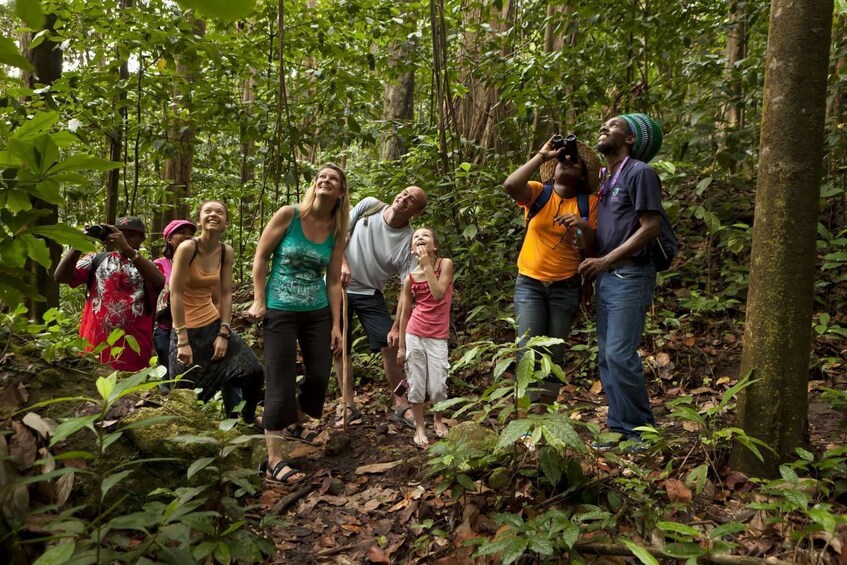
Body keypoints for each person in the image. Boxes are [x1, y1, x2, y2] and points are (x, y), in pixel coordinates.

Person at [248, 164, 348, 485]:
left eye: (333, 179)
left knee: (319, 375)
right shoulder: (288, 215)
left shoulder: (336, 230)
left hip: (317, 311)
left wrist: (336, 325)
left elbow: (333, 281)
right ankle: (275, 459)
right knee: (281, 377)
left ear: (340, 192)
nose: (325, 180)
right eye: (322, 176)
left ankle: (293, 420)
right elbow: (262, 256)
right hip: (279, 308)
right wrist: (259, 299)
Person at [578, 113, 664, 443]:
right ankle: (618, 428)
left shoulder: (640, 173)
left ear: (631, 139)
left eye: (614, 126)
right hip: (608, 278)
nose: (604, 127)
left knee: (619, 354)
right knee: (606, 356)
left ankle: (641, 431)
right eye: (604, 124)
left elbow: (650, 226)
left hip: (630, 274)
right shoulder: (607, 178)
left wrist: (605, 260)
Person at [503, 136, 600, 405]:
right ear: (554, 169)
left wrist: (583, 226)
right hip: (530, 284)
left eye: (574, 162)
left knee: (554, 353)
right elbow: (511, 185)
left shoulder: (589, 203)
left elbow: (592, 252)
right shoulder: (538, 192)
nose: (566, 162)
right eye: (563, 160)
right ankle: (524, 415)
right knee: (527, 350)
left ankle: (542, 412)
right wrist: (542, 156)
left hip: (566, 286)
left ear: (582, 175)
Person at [335, 186, 427, 428]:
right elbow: (339, 233)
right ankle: (347, 404)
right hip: (338, 286)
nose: (404, 198)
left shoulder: (409, 242)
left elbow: (406, 290)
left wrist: (398, 326)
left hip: (369, 292)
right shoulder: (369, 206)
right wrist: (342, 262)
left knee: (391, 343)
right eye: (405, 193)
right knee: (338, 346)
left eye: (412, 200)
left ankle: (401, 402)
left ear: (416, 213)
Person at [169, 200, 263, 424]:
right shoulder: (187, 248)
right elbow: (176, 293)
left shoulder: (225, 252)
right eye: (208, 211)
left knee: (253, 371)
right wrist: (182, 339)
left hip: (212, 323)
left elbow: (226, 292)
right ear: (198, 220)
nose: (213, 215)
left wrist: (224, 330)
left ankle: (247, 417)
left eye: (219, 212)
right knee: (184, 396)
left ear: (226, 223)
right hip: (185, 329)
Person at [54, 216, 165, 371]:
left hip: (134, 353)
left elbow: (159, 281)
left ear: (142, 239)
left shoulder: (149, 267)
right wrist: (78, 243)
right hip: (94, 350)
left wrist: (127, 249)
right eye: (120, 233)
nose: (123, 238)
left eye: (131, 235)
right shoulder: (95, 259)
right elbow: (60, 277)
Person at [397, 227, 453, 448]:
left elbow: (439, 294)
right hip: (414, 333)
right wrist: (401, 346)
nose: (420, 237)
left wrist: (427, 266)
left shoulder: (444, 264)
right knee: (417, 383)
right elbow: (404, 314)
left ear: (435, 246)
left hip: (438, 335)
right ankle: (420, 427)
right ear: (412, 249)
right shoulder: (410, 279)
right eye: (416, 237)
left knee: (438, 384)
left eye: (426, 235)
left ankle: (438, 419)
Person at [153, 219, 197, 384]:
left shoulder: (199, 264)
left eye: (191, 233)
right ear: (169, 239)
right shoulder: (159, 265)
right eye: (181, 232)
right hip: (166, 328)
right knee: (170, 375)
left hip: (196, 325)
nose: (187, 236)